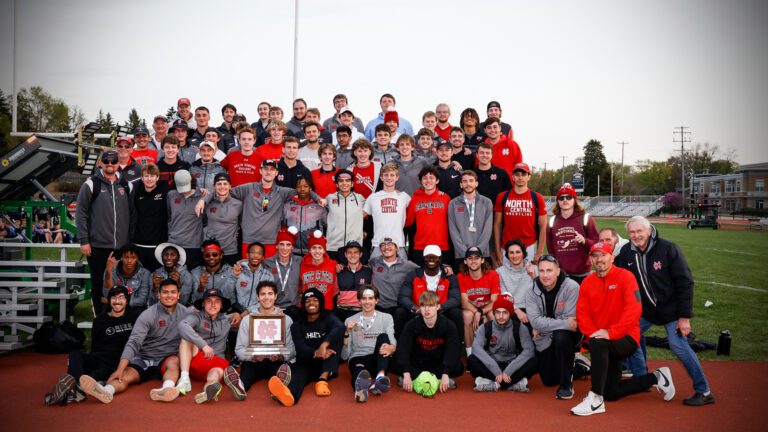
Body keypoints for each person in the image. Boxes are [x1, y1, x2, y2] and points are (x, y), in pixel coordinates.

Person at [616, 215, 715, 406]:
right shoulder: (627, 253)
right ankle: (641, 379)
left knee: (678, 345)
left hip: (672, 310)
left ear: (649, 229)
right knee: (629, 334)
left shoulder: (668, 248)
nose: (636, 236)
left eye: (640, 231)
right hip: (646, 310)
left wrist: (684, 317)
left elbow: (685, 282)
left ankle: (704, 391)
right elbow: (615, 275)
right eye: (632, 232)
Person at [571, 242, 676, 416]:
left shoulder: (626, 277)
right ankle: (657, 377)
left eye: (603, 255)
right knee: (611, 393)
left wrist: (610, 333)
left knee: (598, 344)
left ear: (612, 257)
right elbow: (582, 314)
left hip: (626, 337)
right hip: (602, 340)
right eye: (595, 256)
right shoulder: (587, 282)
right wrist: (594, 333)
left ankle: (596, 399)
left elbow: (634, 310)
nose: (599, 260)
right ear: (590, 259)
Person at [78, 279, 194, 404]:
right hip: (144, 358)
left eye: (173, 292)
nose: (169, 296)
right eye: (165, 292)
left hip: (166, 359)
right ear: (158, 295)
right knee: (125, 375)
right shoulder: (147, 314)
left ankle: (167, 389)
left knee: (174, 362)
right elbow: (134, 342)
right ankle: (107, 390)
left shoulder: (187, 314)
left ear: (178, 295)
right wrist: (120, 369)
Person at [44, 286, 141, 406]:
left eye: (121, 298)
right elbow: (95, 345)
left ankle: (70, 387)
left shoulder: (135, 317)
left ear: (127, 300)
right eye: (114, 297)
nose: (117, 301)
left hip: (115, 362)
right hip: (99, 356)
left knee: (93, 376)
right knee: (75, 354)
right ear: (108, 300)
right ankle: (74, 385)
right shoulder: (100, 320)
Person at [76, 150, 133, 315]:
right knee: (98, 283)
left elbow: (132, 213)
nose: (110, 165)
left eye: (113, 161)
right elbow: (81, 213)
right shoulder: (91, 184)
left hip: (120, 246)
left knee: (119, 283)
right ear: (100, 163)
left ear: (117, 163)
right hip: (97, 245)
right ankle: (100, 318)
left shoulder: (125, 185)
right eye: (106, 162)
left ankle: (117, 317)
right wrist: (84, 240)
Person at [268, 289, 345, 406]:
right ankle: (288, 395)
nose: (311, 303)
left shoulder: (328, 318)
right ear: (303, 305)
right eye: (307, 301)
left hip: (327, 363)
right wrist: (317, 352)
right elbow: (300, 349)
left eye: (315, 300)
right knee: (299, 374)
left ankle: (322, 381)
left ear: (321, 303)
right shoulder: (297, 325)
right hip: (308, 360)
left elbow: (340, 327)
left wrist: (324, 345)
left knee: (335, 338)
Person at [524, 254, 581, 399]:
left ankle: (566, 385)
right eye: (541, 271)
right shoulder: (531, 291)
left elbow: (572, 321)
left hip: (570, 335)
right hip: (544, 335)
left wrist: (544, 325)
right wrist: (562, 323)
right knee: (549, 380)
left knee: (560, 335)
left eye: (549, 270)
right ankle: (577, 367)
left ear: (557, 271)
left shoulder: (572, 287)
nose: (545, 275)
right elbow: (535, 322)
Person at [232, 281, 295, 400]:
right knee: (247, 375)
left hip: (275, 361)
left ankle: (280, 388)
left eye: (270, 294)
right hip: (254, 362)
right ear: (257, 297)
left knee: (281, 372)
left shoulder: (286, 319)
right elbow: (239, 349)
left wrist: (281, 356)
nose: (266, 297)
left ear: (275, 296)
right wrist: (252, 356)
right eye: (263, 294)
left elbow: (292, 348)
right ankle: (239, 388)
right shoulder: (247, 320)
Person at [396, 291, 463, 394]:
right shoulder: (411, 325)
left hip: (438, 365)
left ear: (437, 307)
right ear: (419, 307)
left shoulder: (449, 326)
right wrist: (406, 373)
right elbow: (403, 349)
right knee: (395, 363)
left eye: (431, 306)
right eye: (423, 305)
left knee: (458, 367)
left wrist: (445, 373)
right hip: (418, 364)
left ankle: (440, 378)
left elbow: (453, 351)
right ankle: (416, 378)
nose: (426, 309)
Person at [467, 296, 536, 392]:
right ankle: (513, 383)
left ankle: (492, 383)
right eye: (498, 312)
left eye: (505, 313)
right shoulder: (486, 327)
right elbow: (476, 348)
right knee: (471, 360)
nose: (501, 316)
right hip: (492, 364)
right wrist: (496, 371)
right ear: (494, 313)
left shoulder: (520, 328)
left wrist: (508, 371)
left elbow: (529, 351)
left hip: (512, 365)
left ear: (510, 314)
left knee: (534, 361)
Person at [176, 288, 233, 403]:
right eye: (209, 301)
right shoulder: (196, 317)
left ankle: (208, 391)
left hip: (216, 362)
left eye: (217, 301)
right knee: (185, 339)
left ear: (221, 305)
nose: (213, 304)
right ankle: (184, 378)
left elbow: (251, 322)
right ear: (203, 304)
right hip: (196, 360)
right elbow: (182, 325)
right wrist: (203, 345)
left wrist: (238, 315)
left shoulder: (228, 320)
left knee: (214, 375)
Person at [341, 285, 396, 403]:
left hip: (378, 358)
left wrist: (392, 348)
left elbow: (392, 340)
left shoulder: (387, 318)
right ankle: (360, 391)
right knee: (359, 372)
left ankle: (380, 378)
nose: (367, 302)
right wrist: (346, 333)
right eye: (364, 298)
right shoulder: (350, 320)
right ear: (359, 301)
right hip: (358, 357)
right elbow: (345, 356)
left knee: (383, 337)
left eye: (371, 298)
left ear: (377, 300)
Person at [396, 246, 463, 338]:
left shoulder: (449, 276)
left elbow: (455, 299)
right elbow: (402, 297)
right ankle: (399, 345)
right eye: (428, 257)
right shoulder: (413, 275)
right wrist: (416, 308)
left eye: (435, 257)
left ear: (440, 259)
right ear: (423, 258)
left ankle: (457, 346)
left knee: (456, 313)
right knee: (400, 312)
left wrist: (440, 307)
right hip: (419, 311)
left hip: (441, 311)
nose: (431, 259)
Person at [492, 162, 547, 267]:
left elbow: (543, 226)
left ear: (529, 177)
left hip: (529, 246)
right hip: (507, 247)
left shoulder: (537, 198)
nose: (520, 177)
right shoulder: (502, 197)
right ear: (512, 176)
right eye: (517, 174)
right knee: (507, 281)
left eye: (523, 174)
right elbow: (497, 224)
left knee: (529, 280)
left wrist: (539, 252)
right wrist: (498, 250)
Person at [546, 183, 599, 284]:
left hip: (582, 274)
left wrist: (585, 241)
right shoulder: (552, 221)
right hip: (561, 274)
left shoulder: (586, 218)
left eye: (569, 197)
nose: (565, 200)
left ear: (574, 200)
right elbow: (550, 250)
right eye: (561, 198)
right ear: (557, 201)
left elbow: (597, 245)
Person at [457, 247, 500, 353]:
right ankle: (470, 354)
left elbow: (495, 301)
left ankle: (495, 351)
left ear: (482, 260)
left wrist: (481, 312)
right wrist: (477, 312)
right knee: (467, 316)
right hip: (472, 309)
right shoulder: (461, 276)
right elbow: (464, 302)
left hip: (487, 308)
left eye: (476, 258)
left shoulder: (492, 275)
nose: (473, 261)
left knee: (493, 315)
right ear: (465, 261)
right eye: (470, 258)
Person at [405, 166, 450, 265]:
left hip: (441, 245)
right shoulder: (415, 199)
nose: (428, 180)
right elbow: (408, 222)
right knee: (421, 278)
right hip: (421, 246)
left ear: (437, 181)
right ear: (421, 181)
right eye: (425, 178)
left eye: (431, 178)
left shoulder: (445, 198)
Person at [363, 163, 410, 259]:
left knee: (401, 274)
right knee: (376, 273)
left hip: (399, 245)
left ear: (397, 177)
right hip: (378, 244)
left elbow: (417, 208)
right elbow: (361, 217)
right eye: (386, 175)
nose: (389, 178)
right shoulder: (373, 197)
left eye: (392, 175)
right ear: (381, 177)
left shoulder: (404, 197)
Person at [448, 171, 494, 268]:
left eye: (471, 181)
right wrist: (466, 253)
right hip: (461, 255)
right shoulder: (453, 204)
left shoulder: (487, 202)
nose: (468, 184)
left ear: (476, 183)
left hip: (482, 255)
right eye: (464, 181)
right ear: (461, 184)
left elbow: (487, 230)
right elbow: (453, 231)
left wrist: (478, 252)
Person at [130, 163, 168, 272]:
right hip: (139, 244)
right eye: (146, 176)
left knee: (156, 280)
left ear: (157, 177)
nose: (149, 179)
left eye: (152, 176)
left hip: (158, 245)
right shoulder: (135, 193)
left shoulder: (165, 193)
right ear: (142, 178)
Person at [368, 237, 419, 317]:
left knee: (401, 314)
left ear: (396, 248)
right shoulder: (374, 262)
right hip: (378, 306)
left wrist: (443, 267)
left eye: (390, 244)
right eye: (383, 245)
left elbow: (424, 270)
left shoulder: (406, 265)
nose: (386, 247)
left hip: (397, 306)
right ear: (380, 249)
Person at [166, 170, 205, 270]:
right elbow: (170, 216)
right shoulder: (171, 195)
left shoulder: (202, 196)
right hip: (174, 244)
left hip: (193, 245)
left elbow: (214, 193)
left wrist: (206, 195)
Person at [201, 173, 243, 265]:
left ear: (230, 186)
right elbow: (203, 223)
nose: (222, 186)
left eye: (225, 183)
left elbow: (242, 225)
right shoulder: (207, 203)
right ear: (214, 186)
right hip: (211, 251)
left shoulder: (239, 204)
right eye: (219, 184)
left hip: (231, 251)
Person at [264, 227, 302, 320]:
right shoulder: (267, 262)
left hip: (293, 308)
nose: (285, 248)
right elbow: (252, 264)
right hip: (273, 307)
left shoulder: (299, 261)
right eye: (281, 244)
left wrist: (337, 266)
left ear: (292, 247)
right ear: (276, 246)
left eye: (288, 245)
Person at [282, 177, 326, 255]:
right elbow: (281, 227)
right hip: (291, 252)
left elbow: (327, 227)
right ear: (295, 189)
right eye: (299, 187)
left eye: (305, 186)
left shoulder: (319, 207)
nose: (302, 189)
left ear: (310, 189)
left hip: (312, 253)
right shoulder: (287, 206)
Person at [496, 239, 535, 323]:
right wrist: (517, 311)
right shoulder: (500, 272)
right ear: (507, 255)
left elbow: (541, 293)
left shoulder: (534, 269)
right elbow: (503, 295)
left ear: (523, 254)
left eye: (518, 252)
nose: (514, 255)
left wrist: (533, 277)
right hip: (510, 308)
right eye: (511, 252)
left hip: (531, 308)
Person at [189, 240, 237, 307]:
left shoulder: (231, 271)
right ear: (203, 256)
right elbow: (196, 301)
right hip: (203, 311)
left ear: (221, 255)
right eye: (207, 255)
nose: (211, 257)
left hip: (226, 310)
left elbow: (229, 297)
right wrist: (201, 288)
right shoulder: (196, 273)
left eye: (215, 254)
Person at [232, 242, 275, 316]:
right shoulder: (237, 271)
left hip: (258, 312)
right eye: (253, 252)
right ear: (247, 255)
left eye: (259, 253)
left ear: (263, 257)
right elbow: (227, 294)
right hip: (236, 311)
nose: (255, 256)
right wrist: (234, 276)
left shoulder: (268, 276)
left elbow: (268, 299)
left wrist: (247, 311)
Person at [102, 244, 152, 309]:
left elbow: (142, 300)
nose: (129, 261)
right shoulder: (111, 269)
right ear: (121, 258)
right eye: (126, 257)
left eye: (133, 257)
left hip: (133, 307)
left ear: (137, 259)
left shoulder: (145, 273)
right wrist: (108, 272)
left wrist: (120, 302)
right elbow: (107, 294)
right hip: (114, 306)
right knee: (105, 310)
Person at [299, 231, 339, 312]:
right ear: (309, 250)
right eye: (314, 248)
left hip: (326, 309)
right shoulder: (303, 265)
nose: (317, 251)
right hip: (308, 310)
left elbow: (336, 289)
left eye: (320, 248)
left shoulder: (333, 264)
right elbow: (300, 288)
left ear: (324, 250)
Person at [335, 241, 372, 322]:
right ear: (345, 255)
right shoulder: (339, 271)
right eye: (349, 252)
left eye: (356, 252)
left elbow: (373, 292)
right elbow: (334, 292)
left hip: (362, 310)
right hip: (342, 310)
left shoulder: (368, 271)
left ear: (360, 254)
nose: (352, 255)